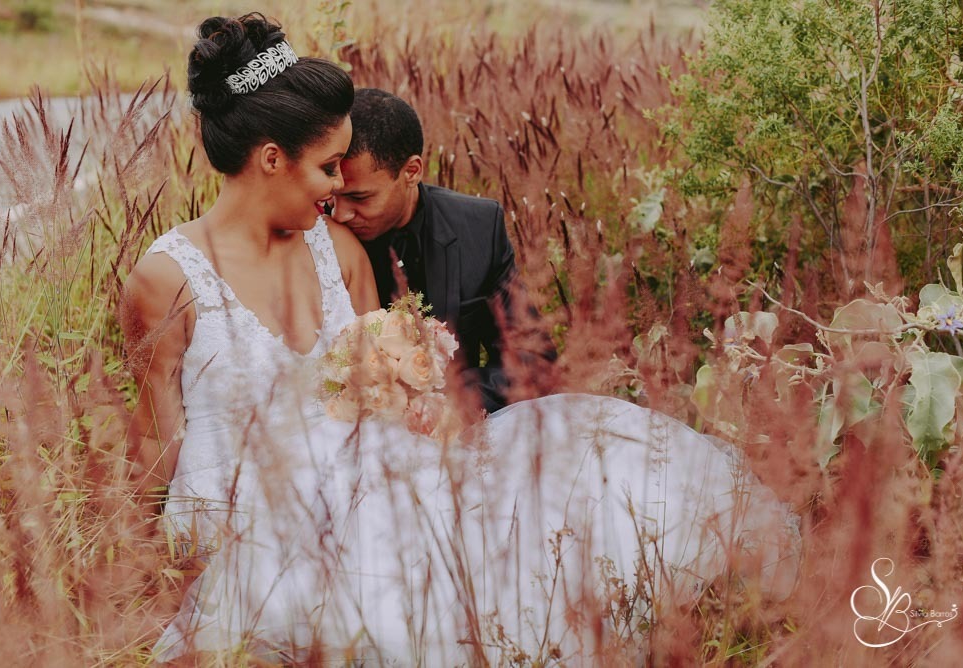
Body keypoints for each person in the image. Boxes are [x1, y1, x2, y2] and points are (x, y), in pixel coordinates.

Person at [121, 12, 801, 665]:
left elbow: (377, 394)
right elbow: (157, 444)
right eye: (328, 168)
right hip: (242, 514)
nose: (336, 190)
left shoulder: (337, 251)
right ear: (273, 159)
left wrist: (415, 403)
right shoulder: (166, 281)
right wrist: (146, 567)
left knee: (568, 489)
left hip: (366, 484)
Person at [330, 88, 518, 413]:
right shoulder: (316, 238)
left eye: (359, 198)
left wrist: (447, 409)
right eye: (334, 195)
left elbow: (530, 359)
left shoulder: (479, 227)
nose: (339, 214)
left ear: (412, 172)